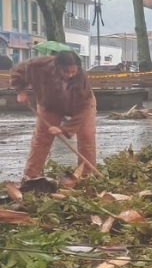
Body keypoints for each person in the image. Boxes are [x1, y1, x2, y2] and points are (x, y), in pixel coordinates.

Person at [10, 51, 97, 180]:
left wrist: (63, 129)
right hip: (49, 105)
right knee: (41, 137)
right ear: (57, 67)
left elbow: (83, 110)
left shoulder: (81, 78)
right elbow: (17, 71)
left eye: (73, 72)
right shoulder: (37, 65)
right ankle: (31, 175)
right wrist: (20, 90)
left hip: (79, 105)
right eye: (67, 72)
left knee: (86, 136)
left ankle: (87, 175)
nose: (70, 75)